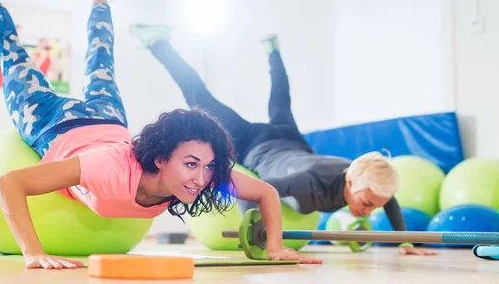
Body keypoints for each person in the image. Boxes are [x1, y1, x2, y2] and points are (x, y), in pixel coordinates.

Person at [0, 0, 323, 270]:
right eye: (191, 164)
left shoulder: (201, 176)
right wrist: (34, 253)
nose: (202, 178)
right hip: (52, 123)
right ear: (160, 160)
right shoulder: (108, 169)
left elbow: (267, 193)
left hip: (107, 118)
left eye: (207, 166)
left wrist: (274, 247)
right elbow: (8, 182)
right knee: (10, 51)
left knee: (102, 56)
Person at [128, 25, 438, 257]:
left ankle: (272, 49)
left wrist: (405, 241)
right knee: (199, 97)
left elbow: (391, 201)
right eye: (367, 204)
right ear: (352, 181)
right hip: (255, 144)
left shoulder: (364, 183)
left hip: (292, 142)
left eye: (373, 207)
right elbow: (258, 194)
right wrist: (260, 235)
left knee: (281, 99)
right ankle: (158, 42)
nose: (369, 211)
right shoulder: (306, 182)